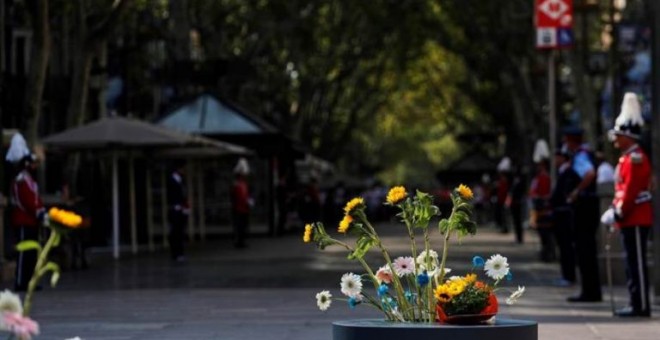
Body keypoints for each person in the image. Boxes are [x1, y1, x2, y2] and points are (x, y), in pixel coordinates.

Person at [601, 93, 652, 317]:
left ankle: (641, 305)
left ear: (628, 136)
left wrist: (619, 211)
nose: (615, 140)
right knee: (631, 263)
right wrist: (615, 209)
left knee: (637, 264)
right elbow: (621, 190)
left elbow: (631, 190)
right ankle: (635, 302)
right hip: (629, 217)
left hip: (636, 216)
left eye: (619, 135)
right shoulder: (627, 158)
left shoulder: (636, 158)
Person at [563, 127, 602, 302]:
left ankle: (590, 292)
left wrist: (576, 192)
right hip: (588, 208)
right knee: (586, 250)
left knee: (585, 250)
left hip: (584, 209)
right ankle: (591, 291)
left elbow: (589, 173)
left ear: (571, 140)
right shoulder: (585, 153)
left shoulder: (580, 156)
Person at [5, 133, 47, 291]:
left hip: (30, 220)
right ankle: (21, 282)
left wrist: (41, 211)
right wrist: (39, 212)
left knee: (31, 253)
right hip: (23, 220)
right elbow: (27, 200)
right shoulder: (21, 179)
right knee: (24, 254)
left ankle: (29, 281)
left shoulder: (28, 178)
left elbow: (35, 198)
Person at [550, 148, 580, 287]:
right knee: (562, 246)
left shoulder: (569, 172)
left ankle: (569, 275)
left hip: (565, 214)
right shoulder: (562, 171)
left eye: (558, 157)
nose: (555, 160)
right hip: (559, 213)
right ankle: (566, 274)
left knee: (566, 246)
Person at [529, 159, 553, 260]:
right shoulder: (538, 178)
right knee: (543, 233)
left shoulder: (545, 178)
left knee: (546, 233)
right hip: (540, 208)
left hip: (545, 208)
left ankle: (547, 253)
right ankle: (546, 252)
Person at [167, 161, 189, 262]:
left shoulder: (181, 180)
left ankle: (180, 252)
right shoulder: (172, 180)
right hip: (175, 208)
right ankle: (176, 253)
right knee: (176, 232)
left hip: (181, 208)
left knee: (180, 232)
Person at [231, 158, 251, 249]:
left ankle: (241, 240)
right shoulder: (237, 185)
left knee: (242, 226)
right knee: (240, 226)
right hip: (239, 208)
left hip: (243, 208)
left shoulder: (242, 184)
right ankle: (239, 241)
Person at [494, 157, 511, 233]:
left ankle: (505, 227)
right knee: (502, 215)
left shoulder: (504, 181)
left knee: (505, 215)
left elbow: (504, 191)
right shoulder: (502, 181)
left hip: (504, 200)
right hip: (501, 200)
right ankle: (504, 227)